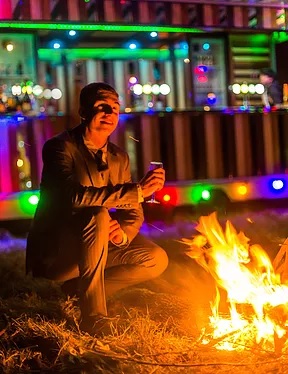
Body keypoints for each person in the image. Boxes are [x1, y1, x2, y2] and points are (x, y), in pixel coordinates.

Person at [26, 82, 168, 335]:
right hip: (58, 251)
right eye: (101, 107)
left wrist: (121, 233)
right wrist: (137, 191)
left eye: (114, 108)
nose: (109, 114)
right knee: (97, 214)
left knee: (156, 259)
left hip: (96, 243)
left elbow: (133, 212)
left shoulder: (119, 156)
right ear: (83, 112)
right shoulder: (60, 147)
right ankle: (94, 317)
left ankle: (77, 292)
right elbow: (73, 197)